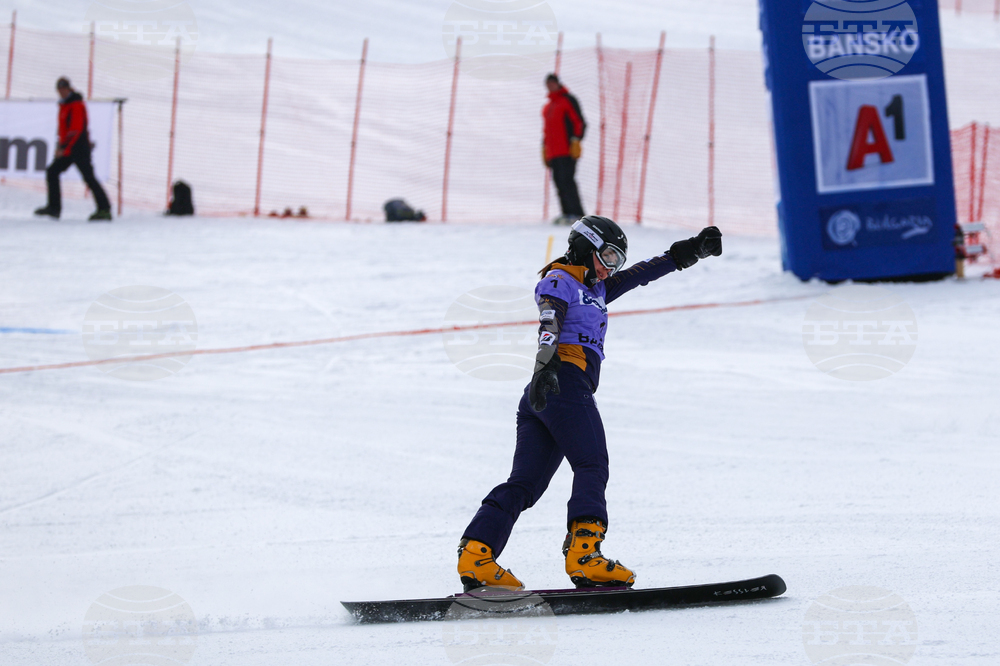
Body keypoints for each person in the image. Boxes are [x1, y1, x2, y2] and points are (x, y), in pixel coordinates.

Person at [457, 216, 723, 591]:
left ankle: (477, 555)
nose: (610, 268)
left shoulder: (594, 288)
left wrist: (693, 251)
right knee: (591, 463)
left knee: (525, 484)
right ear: (584, 247)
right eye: (607, 256)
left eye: (616, 261)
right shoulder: (559, 281)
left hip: (545, 394)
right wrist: (545, 365)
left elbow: (643, 273)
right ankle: (585, 555)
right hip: (560, 381)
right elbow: (549, 321)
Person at [34, 77, 112, 222]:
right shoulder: (64, 105)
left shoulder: (75, 104)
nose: (61, 92)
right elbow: (63, 130)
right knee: (52, 172)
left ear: (69, 88)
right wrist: (60, 146)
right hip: (69, 149)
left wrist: (63, 148)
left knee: (88, 178)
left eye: (63, 89)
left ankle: (104, 209)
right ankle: (54, 208)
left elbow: (76, 129)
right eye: (59, 90)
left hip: (79, 148)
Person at [542, 74, 586, 226]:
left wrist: (576, 139)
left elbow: (579, 121)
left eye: (553, 83)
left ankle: (577, 213)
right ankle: (567, 212)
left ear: (558, 83)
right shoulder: (548, 107)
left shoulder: (567, 100)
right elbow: (546, 130)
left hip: (567, 151)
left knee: (568, 181)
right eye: (548, 84)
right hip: (554, 152)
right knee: (558, 181)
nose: (550, 86)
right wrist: (544, 148)